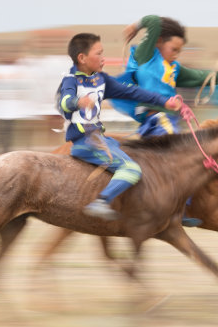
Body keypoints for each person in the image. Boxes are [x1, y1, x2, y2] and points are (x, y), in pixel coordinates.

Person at [111, 15, 218, 226]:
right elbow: (154, 23)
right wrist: (136, 26)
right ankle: (180, 207)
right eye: (173, 49)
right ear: (158, 43)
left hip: (167, 121)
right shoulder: (146, 56)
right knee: (185, 158)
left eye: (179, 51)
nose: (176, 55)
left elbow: (200, 76)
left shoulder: (173, 68)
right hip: (158, 120)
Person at [57, 33, 182, 221]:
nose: (103, 58)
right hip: (85, 142)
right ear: (82, 58)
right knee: (131, 170)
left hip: (100, 139)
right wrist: (78, 101)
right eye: (98, 53)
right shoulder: (70, 80)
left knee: (136, 156)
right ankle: (101, 202)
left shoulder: (101, 80)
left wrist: (165, 102)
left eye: (103, 53)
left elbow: (134, 92)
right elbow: (65, 102)